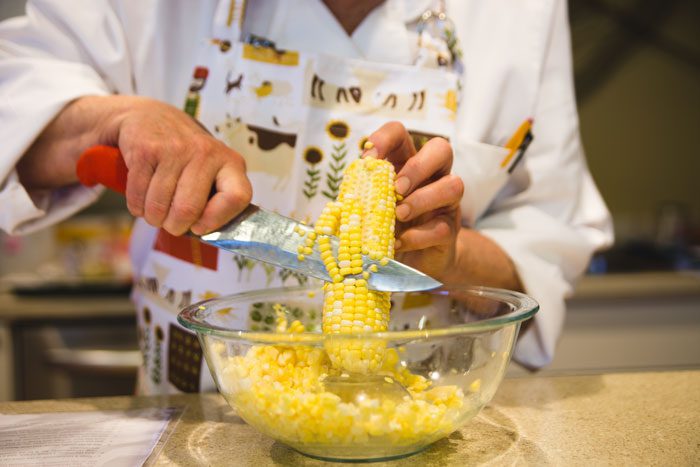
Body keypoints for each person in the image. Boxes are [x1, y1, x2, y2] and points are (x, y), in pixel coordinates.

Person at [0, 0, 613, 394]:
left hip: (422, 422)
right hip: (189, 422)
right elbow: (16, 93)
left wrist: (450, 259)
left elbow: (547, 238)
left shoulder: (523, 12)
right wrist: (111, 119)